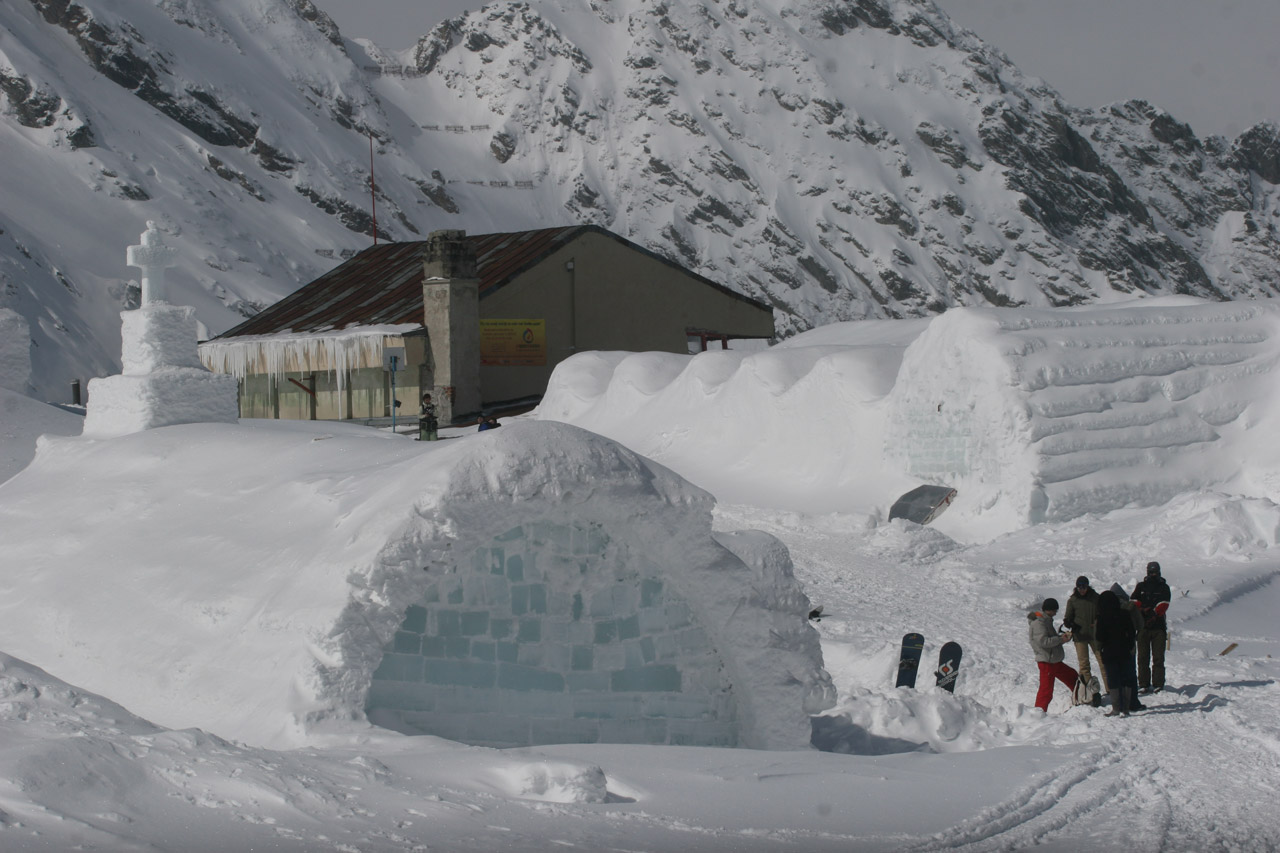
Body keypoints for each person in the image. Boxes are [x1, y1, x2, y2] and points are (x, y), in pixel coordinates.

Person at [1027, 598, 1078, 712]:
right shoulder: (1039, 623)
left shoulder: (1046, 620)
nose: (1056, 612)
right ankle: (1038, 713)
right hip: (1047, 662)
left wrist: (1062, 639)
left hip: (1054, 661)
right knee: (1046, 691)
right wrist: (1060, 639)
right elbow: (1043, 642)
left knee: (1072, 676)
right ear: (1048, 610)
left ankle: (1081, 698)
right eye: (1054, 610)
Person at [1063, 575, 1107, 704]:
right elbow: (1067, 618)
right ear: (1076, 587)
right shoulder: (1073, 600)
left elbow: (1102, 613)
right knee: (1084, 664)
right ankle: (1090, 691)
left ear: (1088, 586)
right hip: (1080, 636)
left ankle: (1110, 689)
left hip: (1095, 636)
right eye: (1080, 587)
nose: (1082, 589)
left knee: (1103, 662)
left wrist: (1098, 622)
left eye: (1084, 587)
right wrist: (1070, 623)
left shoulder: (1096, 598)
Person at [1095, 590, 1139, 717]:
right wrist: (1130, 646)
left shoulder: (1101, 617)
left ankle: (1115, 708)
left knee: (1113, 679)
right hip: (1124, 650)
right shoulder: (1124, 614)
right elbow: (1131, 632)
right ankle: (1126, 708)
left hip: (1109, 652)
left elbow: (1099, 636)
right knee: (1126, 678)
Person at [1131, 561, 1172, 694]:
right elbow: (1133, 600)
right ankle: (1143, 683)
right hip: (1143, 627)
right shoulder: (1141, 586)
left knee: (1158, 657)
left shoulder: (1164, 587)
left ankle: (1158, 683)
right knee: (1142, 657)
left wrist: (1154, 613)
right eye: (1151, 572)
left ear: (1159, 572)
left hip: (1158, 627)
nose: (1153, 574)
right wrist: (1142, 609)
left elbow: (1165, 603)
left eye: (1155, 572)